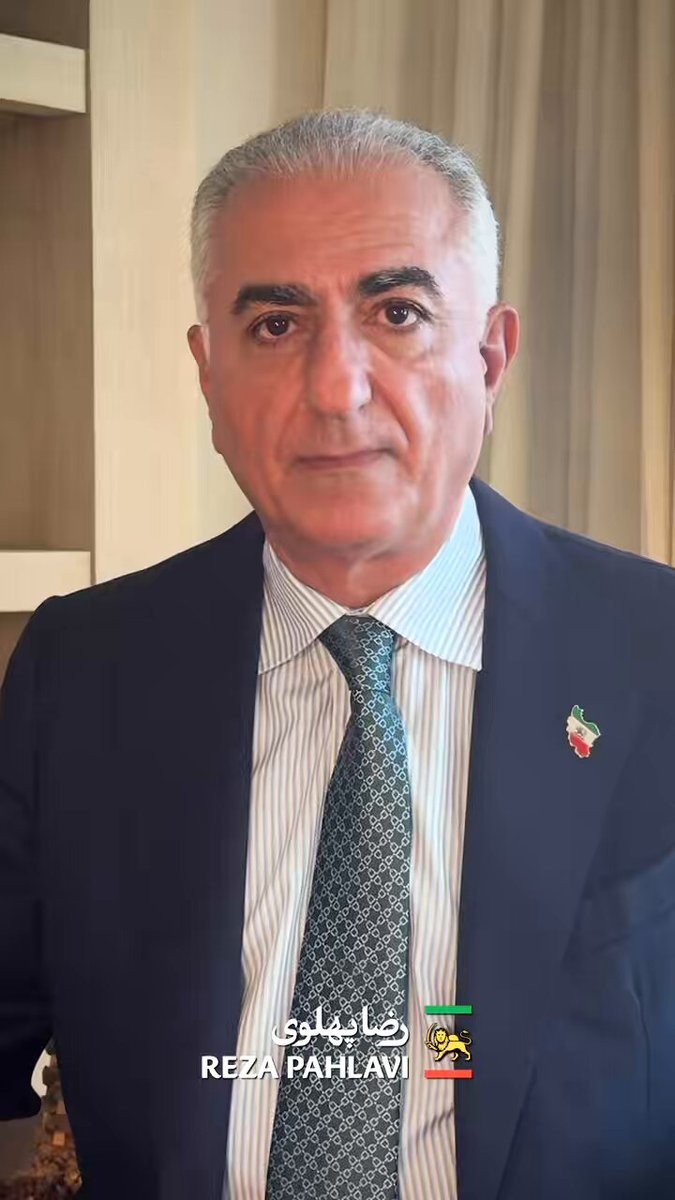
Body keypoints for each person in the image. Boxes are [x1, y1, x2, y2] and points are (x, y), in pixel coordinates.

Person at [1, 108, 674, 1200]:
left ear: (491, 356)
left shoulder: (656, 655)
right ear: (208, 373)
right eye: (275, 325)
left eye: (397, 313)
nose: (334, 388)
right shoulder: (80, 673)